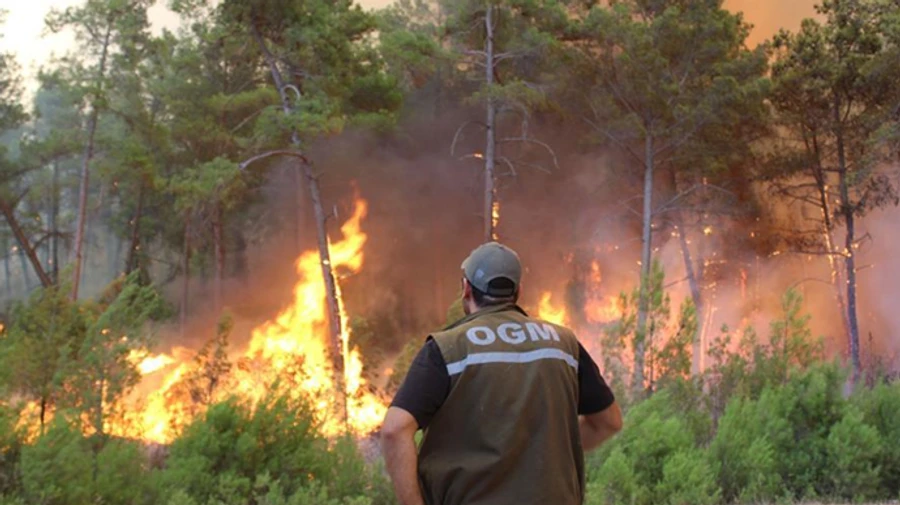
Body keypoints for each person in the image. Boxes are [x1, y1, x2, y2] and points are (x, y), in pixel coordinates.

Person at [381, 241, 623, 505]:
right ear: (517, 291)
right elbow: (608, 421)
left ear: (466, 289)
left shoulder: (448, 349)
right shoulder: (563, 344)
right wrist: (541, 459)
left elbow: (395, 430)